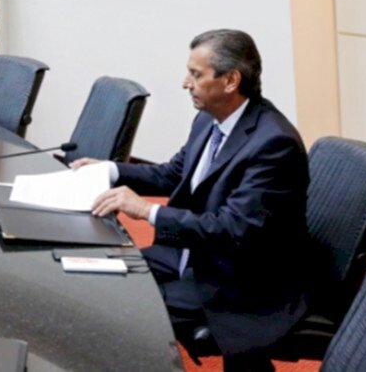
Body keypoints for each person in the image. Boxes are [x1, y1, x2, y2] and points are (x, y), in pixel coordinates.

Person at [73, 29, 309, 372]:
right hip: (192, 256)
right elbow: (172, 174)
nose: (186, 83)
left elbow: (234, 228)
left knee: (125, 308)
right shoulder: (209, 120)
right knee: (104, 278)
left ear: (230, 81)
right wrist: (110, 170)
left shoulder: (274, 143)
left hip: (236, 281)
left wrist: (147, 211)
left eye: (196, 75)